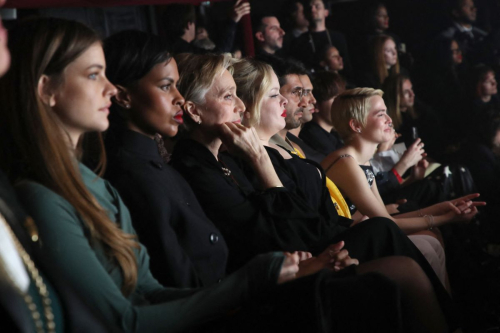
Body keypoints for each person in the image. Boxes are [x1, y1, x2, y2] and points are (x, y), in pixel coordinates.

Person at [0, 17, 337, 333]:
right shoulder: (48, 195)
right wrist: (252, 281)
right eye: (93, 75)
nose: (110, 89)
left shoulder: (96, 184)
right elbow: (124, 320)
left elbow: (150, 291)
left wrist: (276, 275)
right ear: (47, 90)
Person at [321, 87, 485, 285]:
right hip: (338, 250)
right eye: (381, 114)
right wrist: (446, 217)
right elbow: (385, 224)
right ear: (356, 125)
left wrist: (443, 208)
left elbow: (384, 218)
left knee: (431, 243)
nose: (390, 119)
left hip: (359, 235)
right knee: (428, 247)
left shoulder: (361, 161)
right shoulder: (346, 162)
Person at [291, 0, 352, 74]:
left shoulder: (338, 38)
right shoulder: (299, 42)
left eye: (317, 6)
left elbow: (347, 67)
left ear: (326, 12)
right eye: (310, 8)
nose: (313, 10)